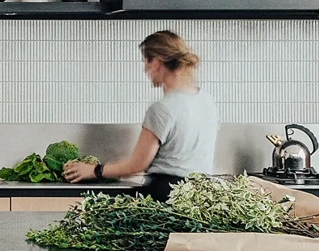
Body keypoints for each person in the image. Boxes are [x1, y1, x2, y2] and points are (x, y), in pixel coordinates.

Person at [62, 30, 219, 202]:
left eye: (147, 61)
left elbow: (137, 165)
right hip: (201, 196)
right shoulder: (206, 101)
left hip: (166, 195)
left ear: (158, 61)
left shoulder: (162, 109)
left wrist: (94, 171)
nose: (145, 69)